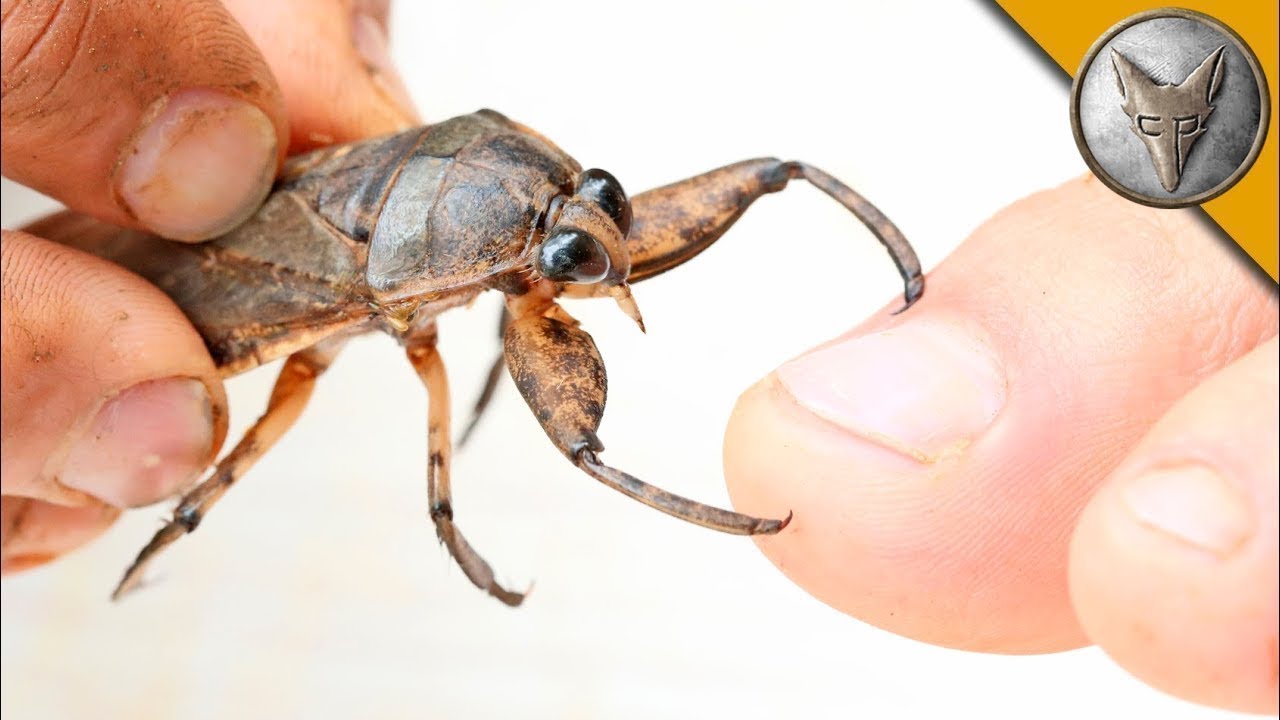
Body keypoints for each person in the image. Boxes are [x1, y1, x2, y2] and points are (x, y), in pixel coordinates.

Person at [1, 2, 1275, 714]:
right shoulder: (456, 280)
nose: (601, 251)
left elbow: (765, 177)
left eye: (593, 217)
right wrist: (452, 503)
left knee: (763, 180)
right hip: (203, 301)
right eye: (573, 260)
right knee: (292, 411)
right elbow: (548, 422)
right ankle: (258, 515)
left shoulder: (522, 240)